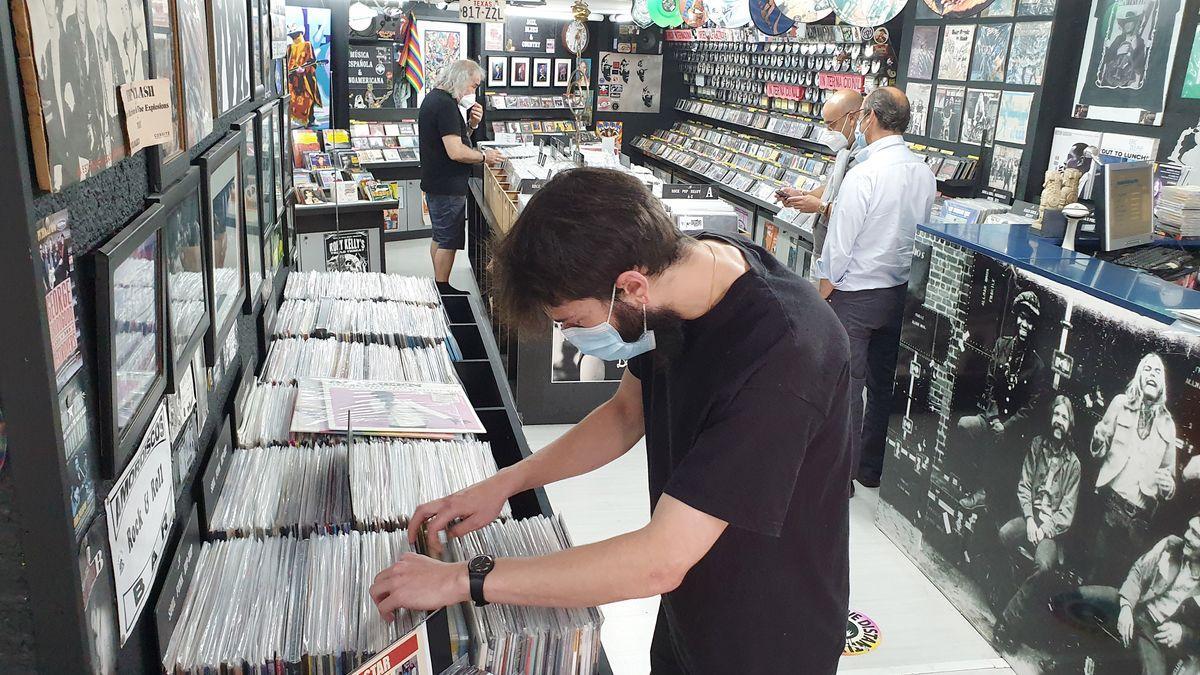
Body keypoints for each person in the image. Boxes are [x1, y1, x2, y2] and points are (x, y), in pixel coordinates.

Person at [369, 168, 852, 674]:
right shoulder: (677, 283)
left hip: (768, 633)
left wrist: (462, 580)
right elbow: (625, 414)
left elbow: (659, 559)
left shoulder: (786, 354)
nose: (573, 337)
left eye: (573, 322)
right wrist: (506, 483)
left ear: (631, 287)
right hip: (692, 600)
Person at [816, 87, 936, 488]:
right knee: (884, 385)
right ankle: (871, 468)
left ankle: (841, 477)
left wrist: (822, 293)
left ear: (867, 117)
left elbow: (840, 245)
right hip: (901, 294)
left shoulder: (864, 174)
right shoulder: (923, 171)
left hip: (855, 295)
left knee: (846, 386)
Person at [1091, 352, 1177, 584]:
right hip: (1109, 504)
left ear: (1162, 385)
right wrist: (1098, 439)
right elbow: (1099, 446)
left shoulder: (1168, 425)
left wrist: (1169, 487)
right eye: (1147, 369)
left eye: (1157, 371)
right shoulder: (1120, 403)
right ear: (1139, 377)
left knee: (1118, 580)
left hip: (1139, 519)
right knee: (1094, 572)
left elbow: (1169, 475)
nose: (1152, 374)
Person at [417, 59, 501, 295]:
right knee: (449, 239)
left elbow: (457, 138)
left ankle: (439, 283)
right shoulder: (444, 104)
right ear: (462, 79)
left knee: (440, 235)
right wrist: (485, 157)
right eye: (474, 86)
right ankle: (443, 290)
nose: (474, 92)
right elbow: (456, 151)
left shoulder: (439, 99)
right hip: (446, 183)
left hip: (438, 181)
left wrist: (472, 124)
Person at [1075, 517, 1200, 675]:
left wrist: (1183, 632)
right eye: (1189, 528)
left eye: (1196, 534)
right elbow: (1138, 572)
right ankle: (1064, 663)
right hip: (1136, 605)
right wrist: (1126, 606)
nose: (1187, 535)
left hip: (1155, 633)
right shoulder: (1172, 544)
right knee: (1080, 596)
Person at [956, 290, 1045, 511]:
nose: (1025, 324)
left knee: (1001, 451)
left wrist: (1006, 426)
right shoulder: (1001, 346)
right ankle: (971, 483)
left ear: (1035, 326)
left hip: (1013, 430)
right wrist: (994, 418)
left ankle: (985, 494)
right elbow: (990, 385)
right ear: (1017, 318)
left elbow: (1031, 407)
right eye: (1022, 318)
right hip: (991, 417)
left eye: (1030, 321)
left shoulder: (1037, 365)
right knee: (964, 425)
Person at [999, 394, 1081, 574]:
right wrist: (1029, 520)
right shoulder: (1036, 445)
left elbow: (1067, 512)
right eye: (1056, 415)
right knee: (1004, 535)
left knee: (1043, 566)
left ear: (1069, 426)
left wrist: (1044, 530)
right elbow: (1024, 485)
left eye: (1064, 417)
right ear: (1051, 417)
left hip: (1051, 529)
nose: (1059, 421)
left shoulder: (1074, 464)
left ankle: (1017, 602)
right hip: (1030, 516)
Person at [775, 89, 863, 213]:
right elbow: (829, 189)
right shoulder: (845, 151)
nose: (828, 131)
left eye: (832, 124)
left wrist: (821, 207)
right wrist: (801, 195)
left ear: (852, 118)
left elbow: (855, 214)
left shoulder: (864, 160)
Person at [286, 25, 323, 127]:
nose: (295, 37)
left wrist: (304, 69)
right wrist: (294, 70)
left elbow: (312, 61)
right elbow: (288, 63)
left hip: (306, 78)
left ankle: (311, 119)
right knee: (294, 100)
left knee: (308, 98)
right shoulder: (289, 47)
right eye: (293, 35)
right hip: (294, 79)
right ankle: (296, 120)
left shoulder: (307, 45)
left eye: (296, 34)